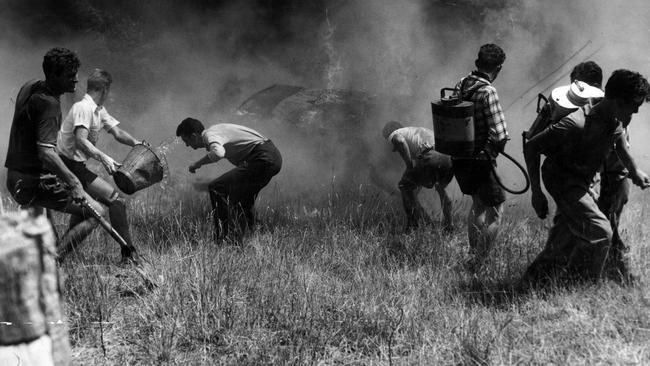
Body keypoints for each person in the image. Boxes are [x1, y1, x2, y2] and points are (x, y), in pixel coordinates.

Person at [523, 69, 650, 284]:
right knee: (600, 231)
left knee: (566, 237)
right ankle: (580, 285)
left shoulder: (615, 117)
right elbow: (532, 148)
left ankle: (534, 281)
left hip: (586, 179)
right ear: (618, 101)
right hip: (562, 179)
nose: (637, 111)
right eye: (634, 105)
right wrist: (536, 193)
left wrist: (634, 170)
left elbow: (619, 143)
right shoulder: (575, 123)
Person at [4, 47, 106, 259]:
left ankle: (44, 261)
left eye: (76, 74)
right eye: (69, 76)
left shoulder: (29, 87)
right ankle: (54, 260)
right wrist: (74, 183)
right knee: (96, 213)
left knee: (44, 238)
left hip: (15, 178)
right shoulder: (49, 105)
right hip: (34, 181)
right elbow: (45, 153)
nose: (76, 80)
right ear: (52, 75)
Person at [56, 68, 143, 262]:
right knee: (116, 201)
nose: (108, 95)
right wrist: (104, 158)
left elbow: (118, 133)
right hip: (67, 166)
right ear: (104, 89)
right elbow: (80, 140)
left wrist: (138, 143)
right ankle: (129, 253)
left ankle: (56, 257)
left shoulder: (98, 109)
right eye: (108, 91)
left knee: (84, 216)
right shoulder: (83, 107)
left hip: (77, 166)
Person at [176, 118, 282, 242]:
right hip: (271, 157)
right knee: (242, 203)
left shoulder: (210, 135)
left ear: (194, 136)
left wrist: (197, 164)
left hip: (263, 158)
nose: (187, 145)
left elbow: (219, 153)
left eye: (186, 141)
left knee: (217, 188)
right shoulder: (217, 131)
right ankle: (261, 237)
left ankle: (225, 239)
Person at [452, 44, 509, 269]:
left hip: (460, 158)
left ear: (477, 63)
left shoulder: (460, 84)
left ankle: (472, 254)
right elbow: (501, 133)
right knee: (496, 211)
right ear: (499, 68)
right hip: (481, 161)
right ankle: (479, 261)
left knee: (477, 204)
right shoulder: (488, 91)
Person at [382, 121, 453, 230]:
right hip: (448, 157)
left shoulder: (395, 133)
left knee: (404, 186)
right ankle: (449, 226)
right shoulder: (417, 132)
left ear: (388, 132)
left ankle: (412, 227)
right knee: (441, 188)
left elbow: (399, 140)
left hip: (430, 155)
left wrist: (409, 165)